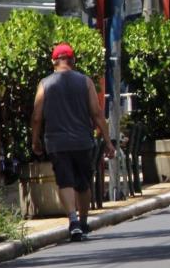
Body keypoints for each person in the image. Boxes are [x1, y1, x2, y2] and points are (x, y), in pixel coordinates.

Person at [32, 43, 115, 242]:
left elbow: (36, 116)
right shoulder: (85, 82)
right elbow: (96, 113)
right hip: (82, 141)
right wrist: (108, 141)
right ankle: (83, 222)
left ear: (54, 61)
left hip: (56, 142)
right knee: (82, 183)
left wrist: (35, 140)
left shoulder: (45, 84)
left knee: (64, 181)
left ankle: (73, 220)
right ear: (73, 61)